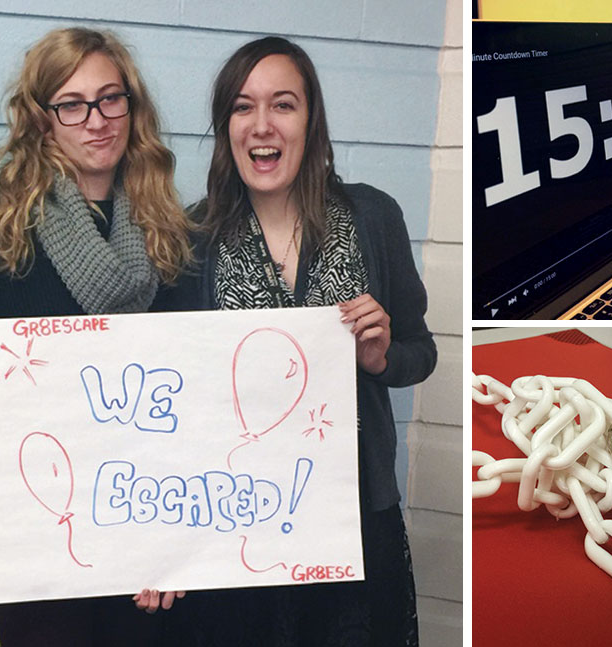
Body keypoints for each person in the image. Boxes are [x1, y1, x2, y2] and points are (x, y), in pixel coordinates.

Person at [0, 27, 192, 646]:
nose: (96, 120)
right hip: (38, 546)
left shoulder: (174, 239)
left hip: (148, 537)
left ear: (134, 107)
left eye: (111, 99)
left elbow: (194, 402)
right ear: (42, 119)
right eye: (71, 104)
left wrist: (177, 543)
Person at [161, 36, 437, 646]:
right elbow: (173, 405)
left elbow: (422, 352)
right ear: (225, 126)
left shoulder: (372, 218)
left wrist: (383, 356)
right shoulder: (190, 241)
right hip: (235, 528)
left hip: (355, 519)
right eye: (242, 106)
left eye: (283, 105)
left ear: (310, 121)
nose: (263, 124)